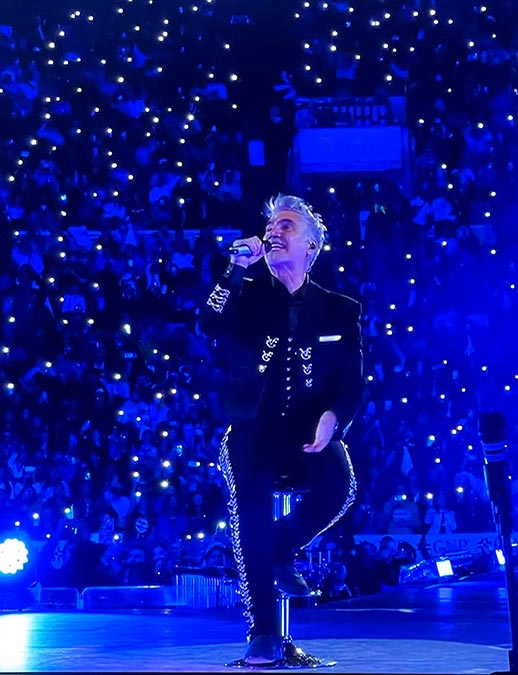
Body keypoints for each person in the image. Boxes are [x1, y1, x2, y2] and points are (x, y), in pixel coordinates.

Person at [202, 194, 364, 665]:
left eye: (288, 226)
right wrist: (236, 267)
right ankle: (264, 633)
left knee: (340, 486)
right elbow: (209, 321)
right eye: (271, 225)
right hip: (254, 427)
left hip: (309, 429)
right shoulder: (246, 295)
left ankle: (277, 547)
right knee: (249, 506)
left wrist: (335, 418)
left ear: (312, 246)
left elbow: (351, 380)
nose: (275, 231)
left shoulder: (340, 309)